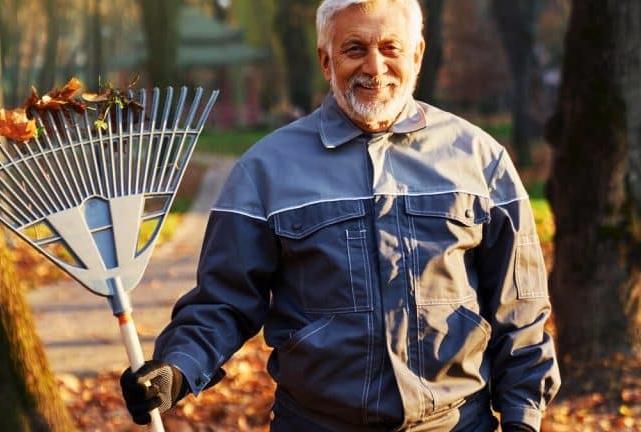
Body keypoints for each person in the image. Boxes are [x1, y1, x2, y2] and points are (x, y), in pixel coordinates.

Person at [120, 0, 561, 430]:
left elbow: (520, 308)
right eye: (355, 49)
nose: (374, 67)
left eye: (391, 48)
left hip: (457, 423)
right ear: (326, 60)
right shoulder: (264, 170)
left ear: (417, 54)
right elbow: (223, 301)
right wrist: (176, 368)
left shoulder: (479, 159)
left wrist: (523, 417)